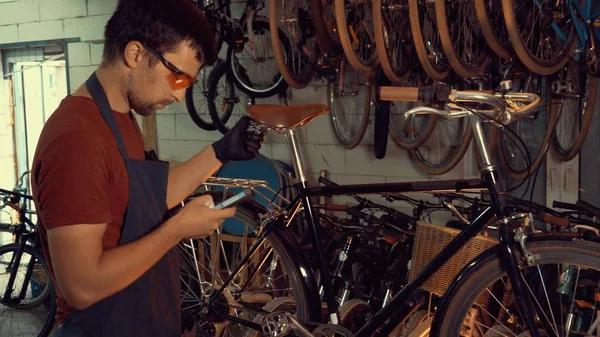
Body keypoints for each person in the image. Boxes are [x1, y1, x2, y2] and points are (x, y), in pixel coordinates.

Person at [30, 0, 265, 336]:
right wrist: (177, 230)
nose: (181, 96)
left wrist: (221, 151)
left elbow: (143, 199)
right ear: (136, 54)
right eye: (178, 77)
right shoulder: (76, 140)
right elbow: (82, 287)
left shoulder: (122, 116)